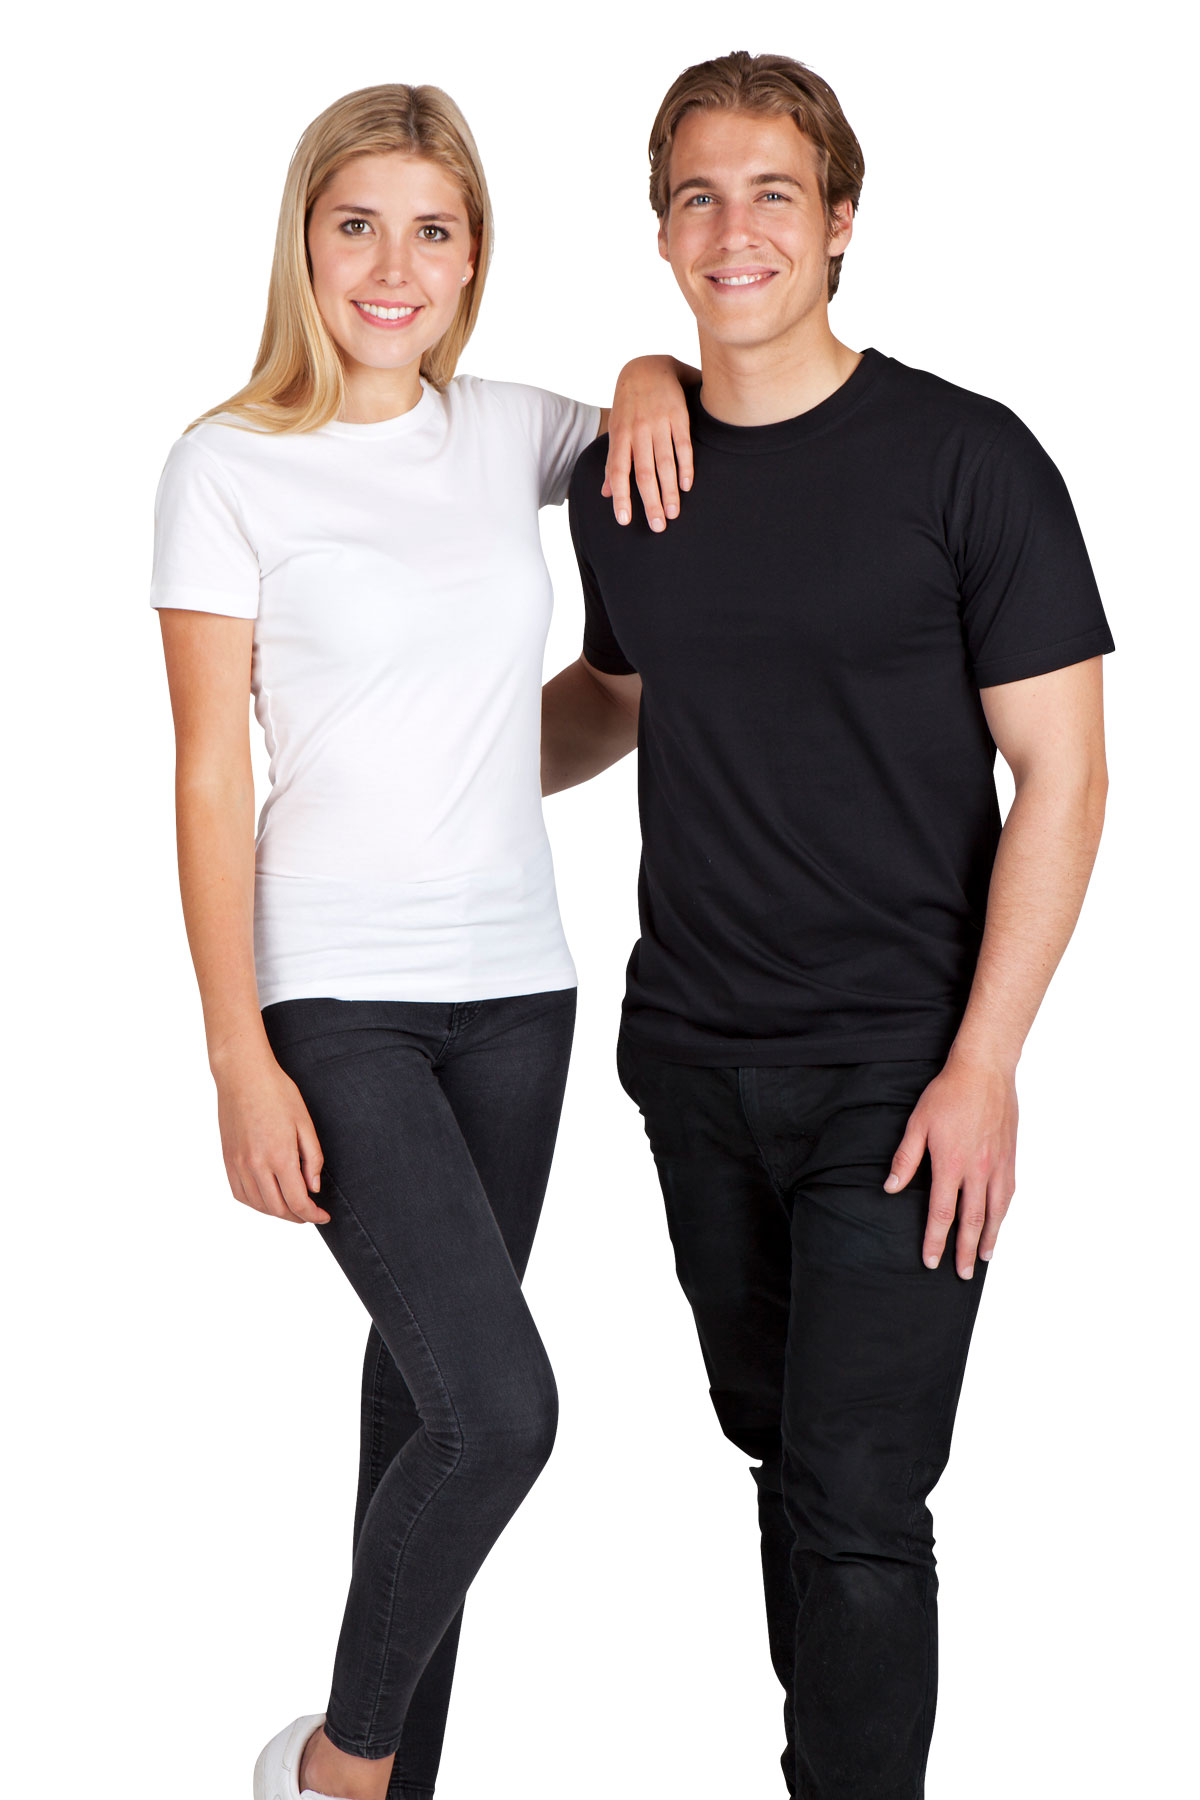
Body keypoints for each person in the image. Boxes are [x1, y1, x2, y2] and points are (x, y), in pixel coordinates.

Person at [543, 49, 1113, 1800]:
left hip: (901, 1070)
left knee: (859, 1494)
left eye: (775, 193)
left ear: (842, 220)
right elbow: (614, 697)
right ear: (661, 233)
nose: (737, 230)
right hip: (692, 1061)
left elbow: (1066, 773)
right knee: (784, 1459)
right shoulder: (628, 475)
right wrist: (402, 757)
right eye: (699, 197)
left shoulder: (966, 458)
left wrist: (986, 1065)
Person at [151, 83, 692, 1800]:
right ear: (305, 242)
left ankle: (386, 1784)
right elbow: (210, 771)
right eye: (359, 226)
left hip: (518, 992)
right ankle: (339, 1762)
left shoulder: (505, 430)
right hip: (337, 997)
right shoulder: (224, 466)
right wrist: (238, 1057)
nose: (395, 267)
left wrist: (651, 370)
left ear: (473, 257)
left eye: (434, 231)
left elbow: (655, 431)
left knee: (426, 1413)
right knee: (500, 1413)